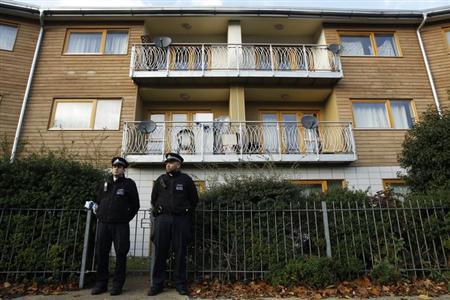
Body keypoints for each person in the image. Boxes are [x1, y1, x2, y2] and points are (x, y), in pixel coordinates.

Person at [148, 153, 199, 296]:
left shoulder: (186, 180)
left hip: (180, 220)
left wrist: (186, 212)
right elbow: (154, 199)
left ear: (178, 164)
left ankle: (180, 284)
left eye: (171, 162)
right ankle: (157, 284)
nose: (168, 165)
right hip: (163, 219)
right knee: (160, 252)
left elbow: (194, 200)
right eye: (167, 163)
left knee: (180, 252)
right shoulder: (160, 180)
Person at [91, 157, 140, 296]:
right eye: (114, 166)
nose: (116, 168)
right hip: (104, 224)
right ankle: (101, 283)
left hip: (120, 226)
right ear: (112, 168)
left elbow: (135, 205)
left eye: (119, 166)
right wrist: (99, 213)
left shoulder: (129, 184)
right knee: (101, 253)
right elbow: (98, 200)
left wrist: (125, 218)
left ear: (124, 169)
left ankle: (117, 285)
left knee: (120, 254)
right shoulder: (104, 182)